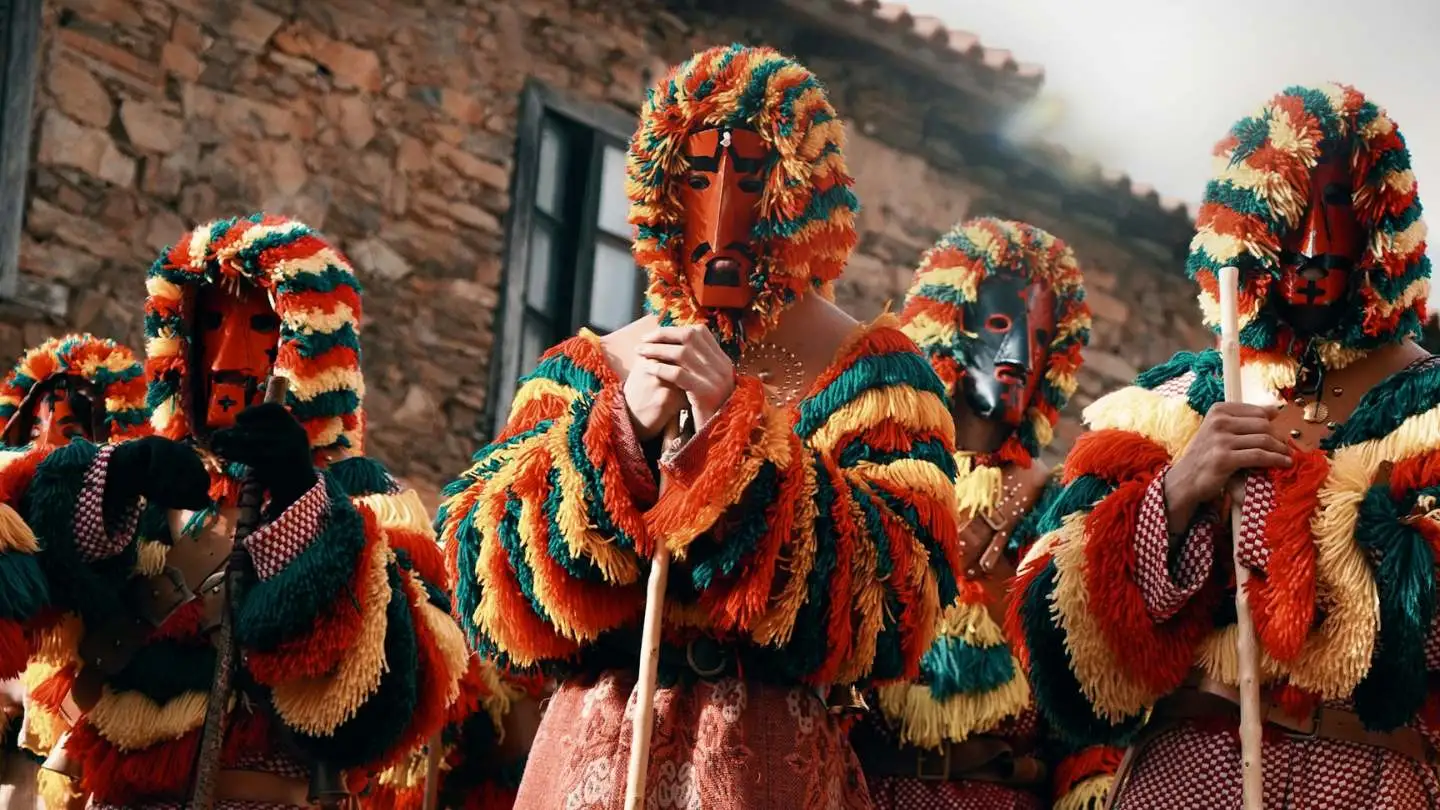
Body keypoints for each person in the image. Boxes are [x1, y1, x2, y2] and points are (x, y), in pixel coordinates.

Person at [436, 43, 962, 809]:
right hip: (590, 755)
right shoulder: (582, 372)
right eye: (695, 176)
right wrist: (616, 437)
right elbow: (484, 589)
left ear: (800, 190)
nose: (720, 207)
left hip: (765, 767)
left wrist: (740, 445)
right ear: (659, 187)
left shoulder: (874, 377)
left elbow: (901, 607)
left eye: (751, 176)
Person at [1010, 83, 1440, 807]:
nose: (1310, 246)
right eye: (1292, 207)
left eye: (1337, 208)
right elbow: (1053, 644)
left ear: (1380, 223)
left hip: (1372, 785)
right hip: (1182, 781)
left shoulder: (1431, 411)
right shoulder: (1170, 405)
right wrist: (1176, 495)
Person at [20, 214, 470, 808]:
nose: (228, 359)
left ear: (310, 345)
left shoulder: (369, 496)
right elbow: (42, 585)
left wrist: (300, 500)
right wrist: (115, 477)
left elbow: (389, 705)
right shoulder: (148, 487)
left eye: (262, 325)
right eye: (208, 324)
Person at [850, 218, 1120, 810]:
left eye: (1040, 337)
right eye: (1000, 325)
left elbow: (1085, 703)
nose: (1020, 354)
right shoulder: (872, 479)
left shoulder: (1064, 510)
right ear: (947, 328)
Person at [0, 334, 149, 809]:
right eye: (36, 428)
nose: (46, 444)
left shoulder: (127, 529)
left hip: (86, 739)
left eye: (73, 430)